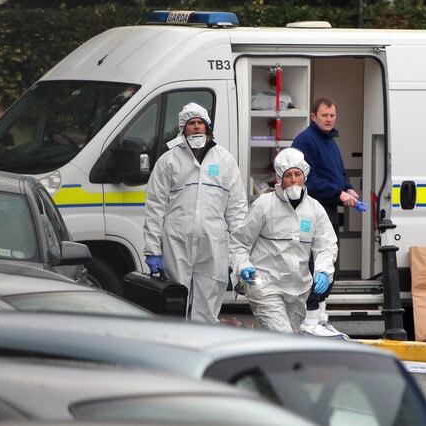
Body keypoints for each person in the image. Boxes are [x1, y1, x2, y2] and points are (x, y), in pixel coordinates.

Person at [143, 102, 247, 324]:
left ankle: (202, 343)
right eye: (192, 123)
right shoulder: (168, 161)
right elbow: (155, 207)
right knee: (176, 298)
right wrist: (153, 249)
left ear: (208, 128)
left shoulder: (224, 160)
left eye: (201, 123)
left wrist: (241, 254)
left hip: (213, 241)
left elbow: (237, 208)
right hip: (176, 240)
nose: (197, 127)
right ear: (183, 129)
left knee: (210, 294)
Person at [229, 148, 338, 334]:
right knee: (283, 335)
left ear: (305, 177)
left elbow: (326, 246)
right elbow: (239, 242)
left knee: (286, 344)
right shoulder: (264, 205)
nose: (294, 179)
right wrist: (243, 266)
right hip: (264, 284)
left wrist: (323, 271)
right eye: (289, 175)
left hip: (298, 289)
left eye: (298, 174)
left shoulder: (315, 209)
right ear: (280, 178)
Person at [290, 97, 358, 338]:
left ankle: (321, 317)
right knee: (313, 262)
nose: (329, 119)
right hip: (313, 208)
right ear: (313, 117)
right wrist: (337, 192)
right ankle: (309, 320)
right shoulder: (305, 141)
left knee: (329, 259)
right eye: (324, 115)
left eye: (332, 115)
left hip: (330, 208)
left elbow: (337, 172)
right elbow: (306, 178)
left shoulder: (330, 141)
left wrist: (347, 187)